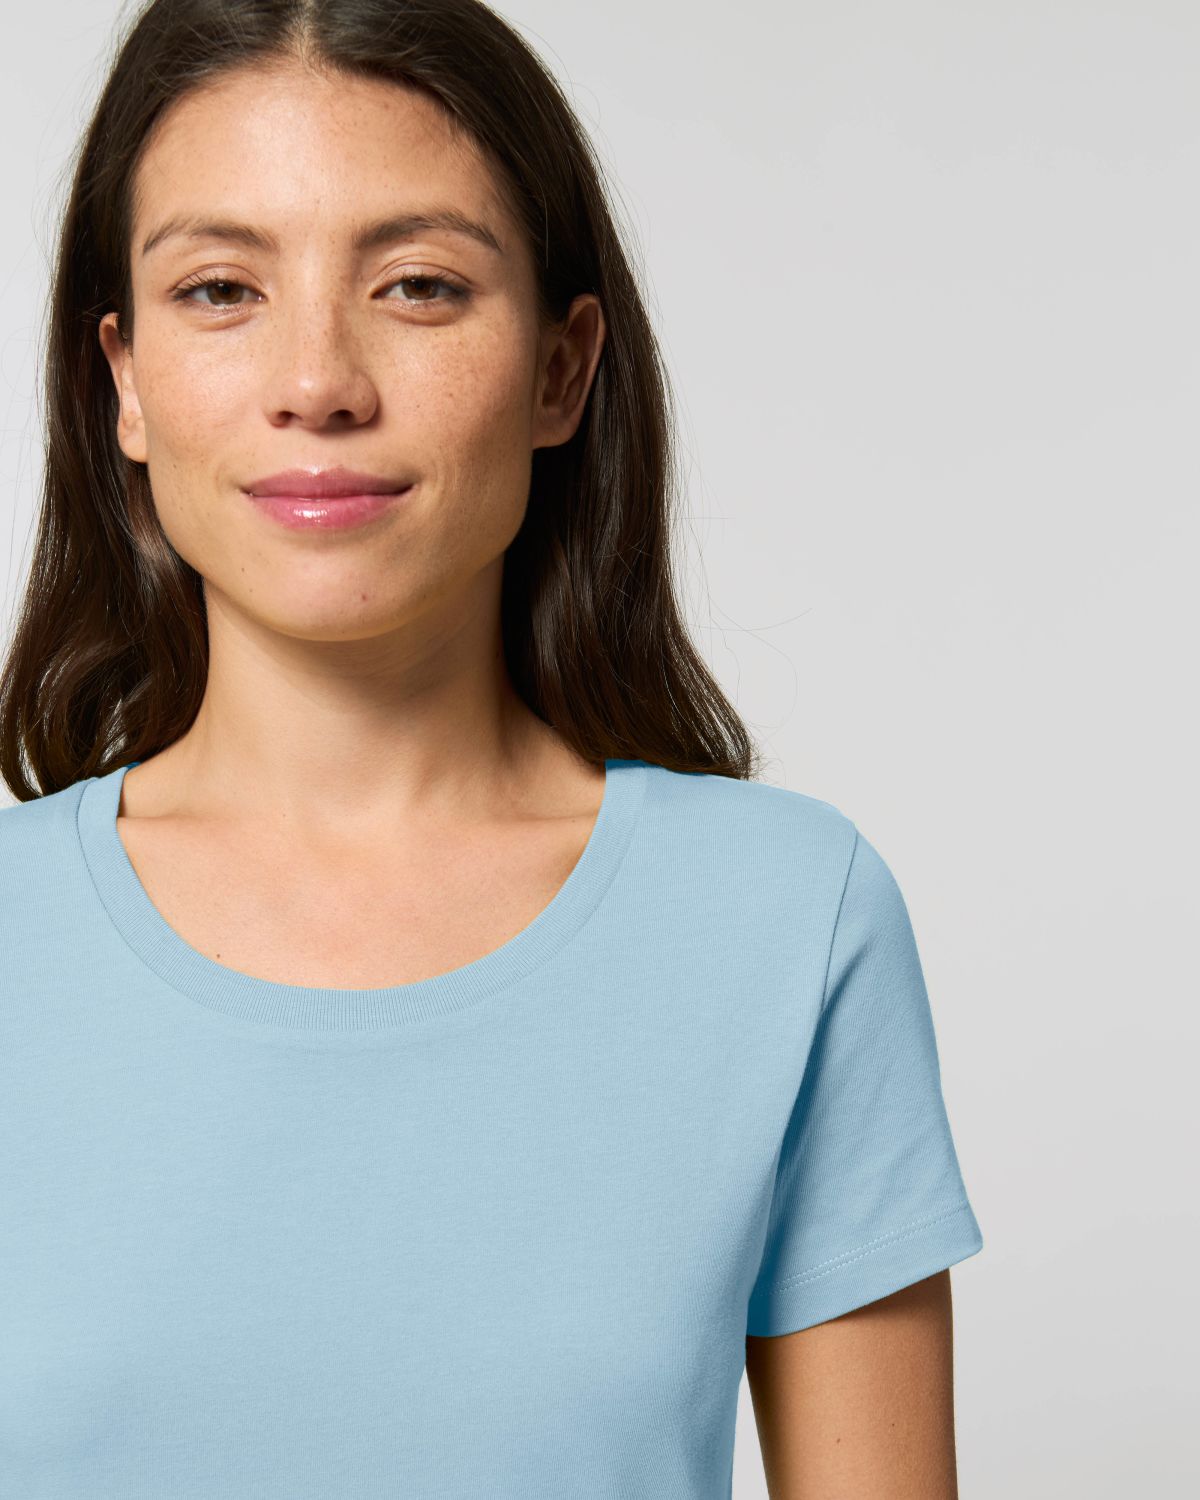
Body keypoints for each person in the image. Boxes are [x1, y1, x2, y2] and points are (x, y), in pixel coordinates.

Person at [0, 1, 984, 1495]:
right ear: (123, 382)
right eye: (220, 289)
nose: (318, 381)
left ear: (560, 370)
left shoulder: (788, 922)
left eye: (418, 285)